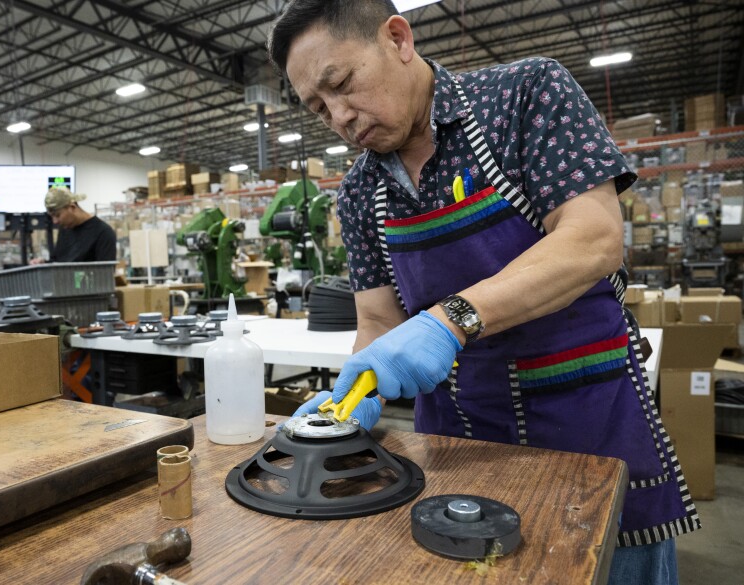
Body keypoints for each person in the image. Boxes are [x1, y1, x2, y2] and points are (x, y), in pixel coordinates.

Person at [268, 2, 695, 583]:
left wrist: (449, 320)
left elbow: (592, 240)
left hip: (587, 427)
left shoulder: (525, 96)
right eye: (320, 109)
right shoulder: (360, 192)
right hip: (456, 444)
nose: (340, 115)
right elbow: (377, 320)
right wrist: (353, 397)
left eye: (341, 84)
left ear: (397, 38)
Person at [37, 187, 117, 263]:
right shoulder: (65, 229)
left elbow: (105, 273)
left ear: (72, 207)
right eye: (52, 217)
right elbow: (59, 262)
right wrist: (44, 263)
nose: (55, 221)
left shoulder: (103, 233)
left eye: (57, 215)